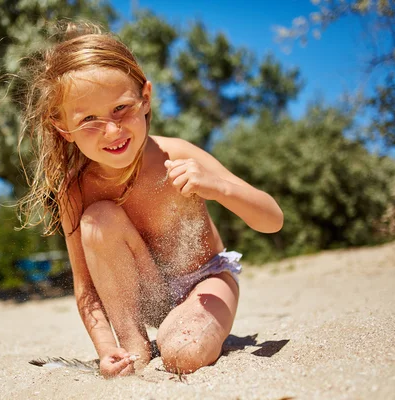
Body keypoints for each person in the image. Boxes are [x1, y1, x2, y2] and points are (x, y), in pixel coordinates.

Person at [17, 22, 283, 378]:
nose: (112, 130)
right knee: (96, 220)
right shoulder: (74, 190)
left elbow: (272, 219)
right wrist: (106, 350)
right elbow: (86, 289)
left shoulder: (176, 154)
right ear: (64, 128)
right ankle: (134, 349)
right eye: (89, 119)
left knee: (182, 354)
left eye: (120, 108)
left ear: (145, 98)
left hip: (205, 281)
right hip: (145, 296)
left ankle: (185, 332)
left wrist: (218, 186)